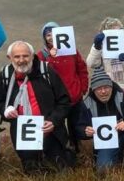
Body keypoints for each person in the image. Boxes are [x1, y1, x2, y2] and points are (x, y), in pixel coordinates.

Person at [0, 40, 75, 173]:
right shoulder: (4, 76)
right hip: (23, 133)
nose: (21, 60)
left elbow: (64, 101)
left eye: (25, 56)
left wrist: (54, 121)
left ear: (32, 55)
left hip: (51, 131)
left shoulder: (46, 71)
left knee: (61, 169)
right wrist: (5, 110)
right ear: (10, 58)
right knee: (32, 170)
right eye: (17, 57)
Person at [77, 69, 124, 172]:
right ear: (93, 90)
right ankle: (116, 157)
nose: (103, 91)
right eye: (99, 89)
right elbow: (78, 127)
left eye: (106, 87)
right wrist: (85, 131)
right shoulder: (86, 103)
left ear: (111, 86)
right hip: (106, 143)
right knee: (103, 170)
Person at [37, 21, 89, 150]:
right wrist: (51, 57)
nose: (51, 37)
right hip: (56, 101)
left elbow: (82, 69)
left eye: (53, 33)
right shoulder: (42, 55)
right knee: (59, 130)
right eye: (47, 35)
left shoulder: (72, 51)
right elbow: (41, 74)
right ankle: (64, 154)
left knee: (76, 129)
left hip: (75, 97)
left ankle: (78, 154)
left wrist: (83, 88)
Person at [86, 17, 124, 95]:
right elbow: (91, 64)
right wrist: (97, 48)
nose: (116, 32)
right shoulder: (100, 43)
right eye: (112, 30)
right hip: (108, 89)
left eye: (119, 29)